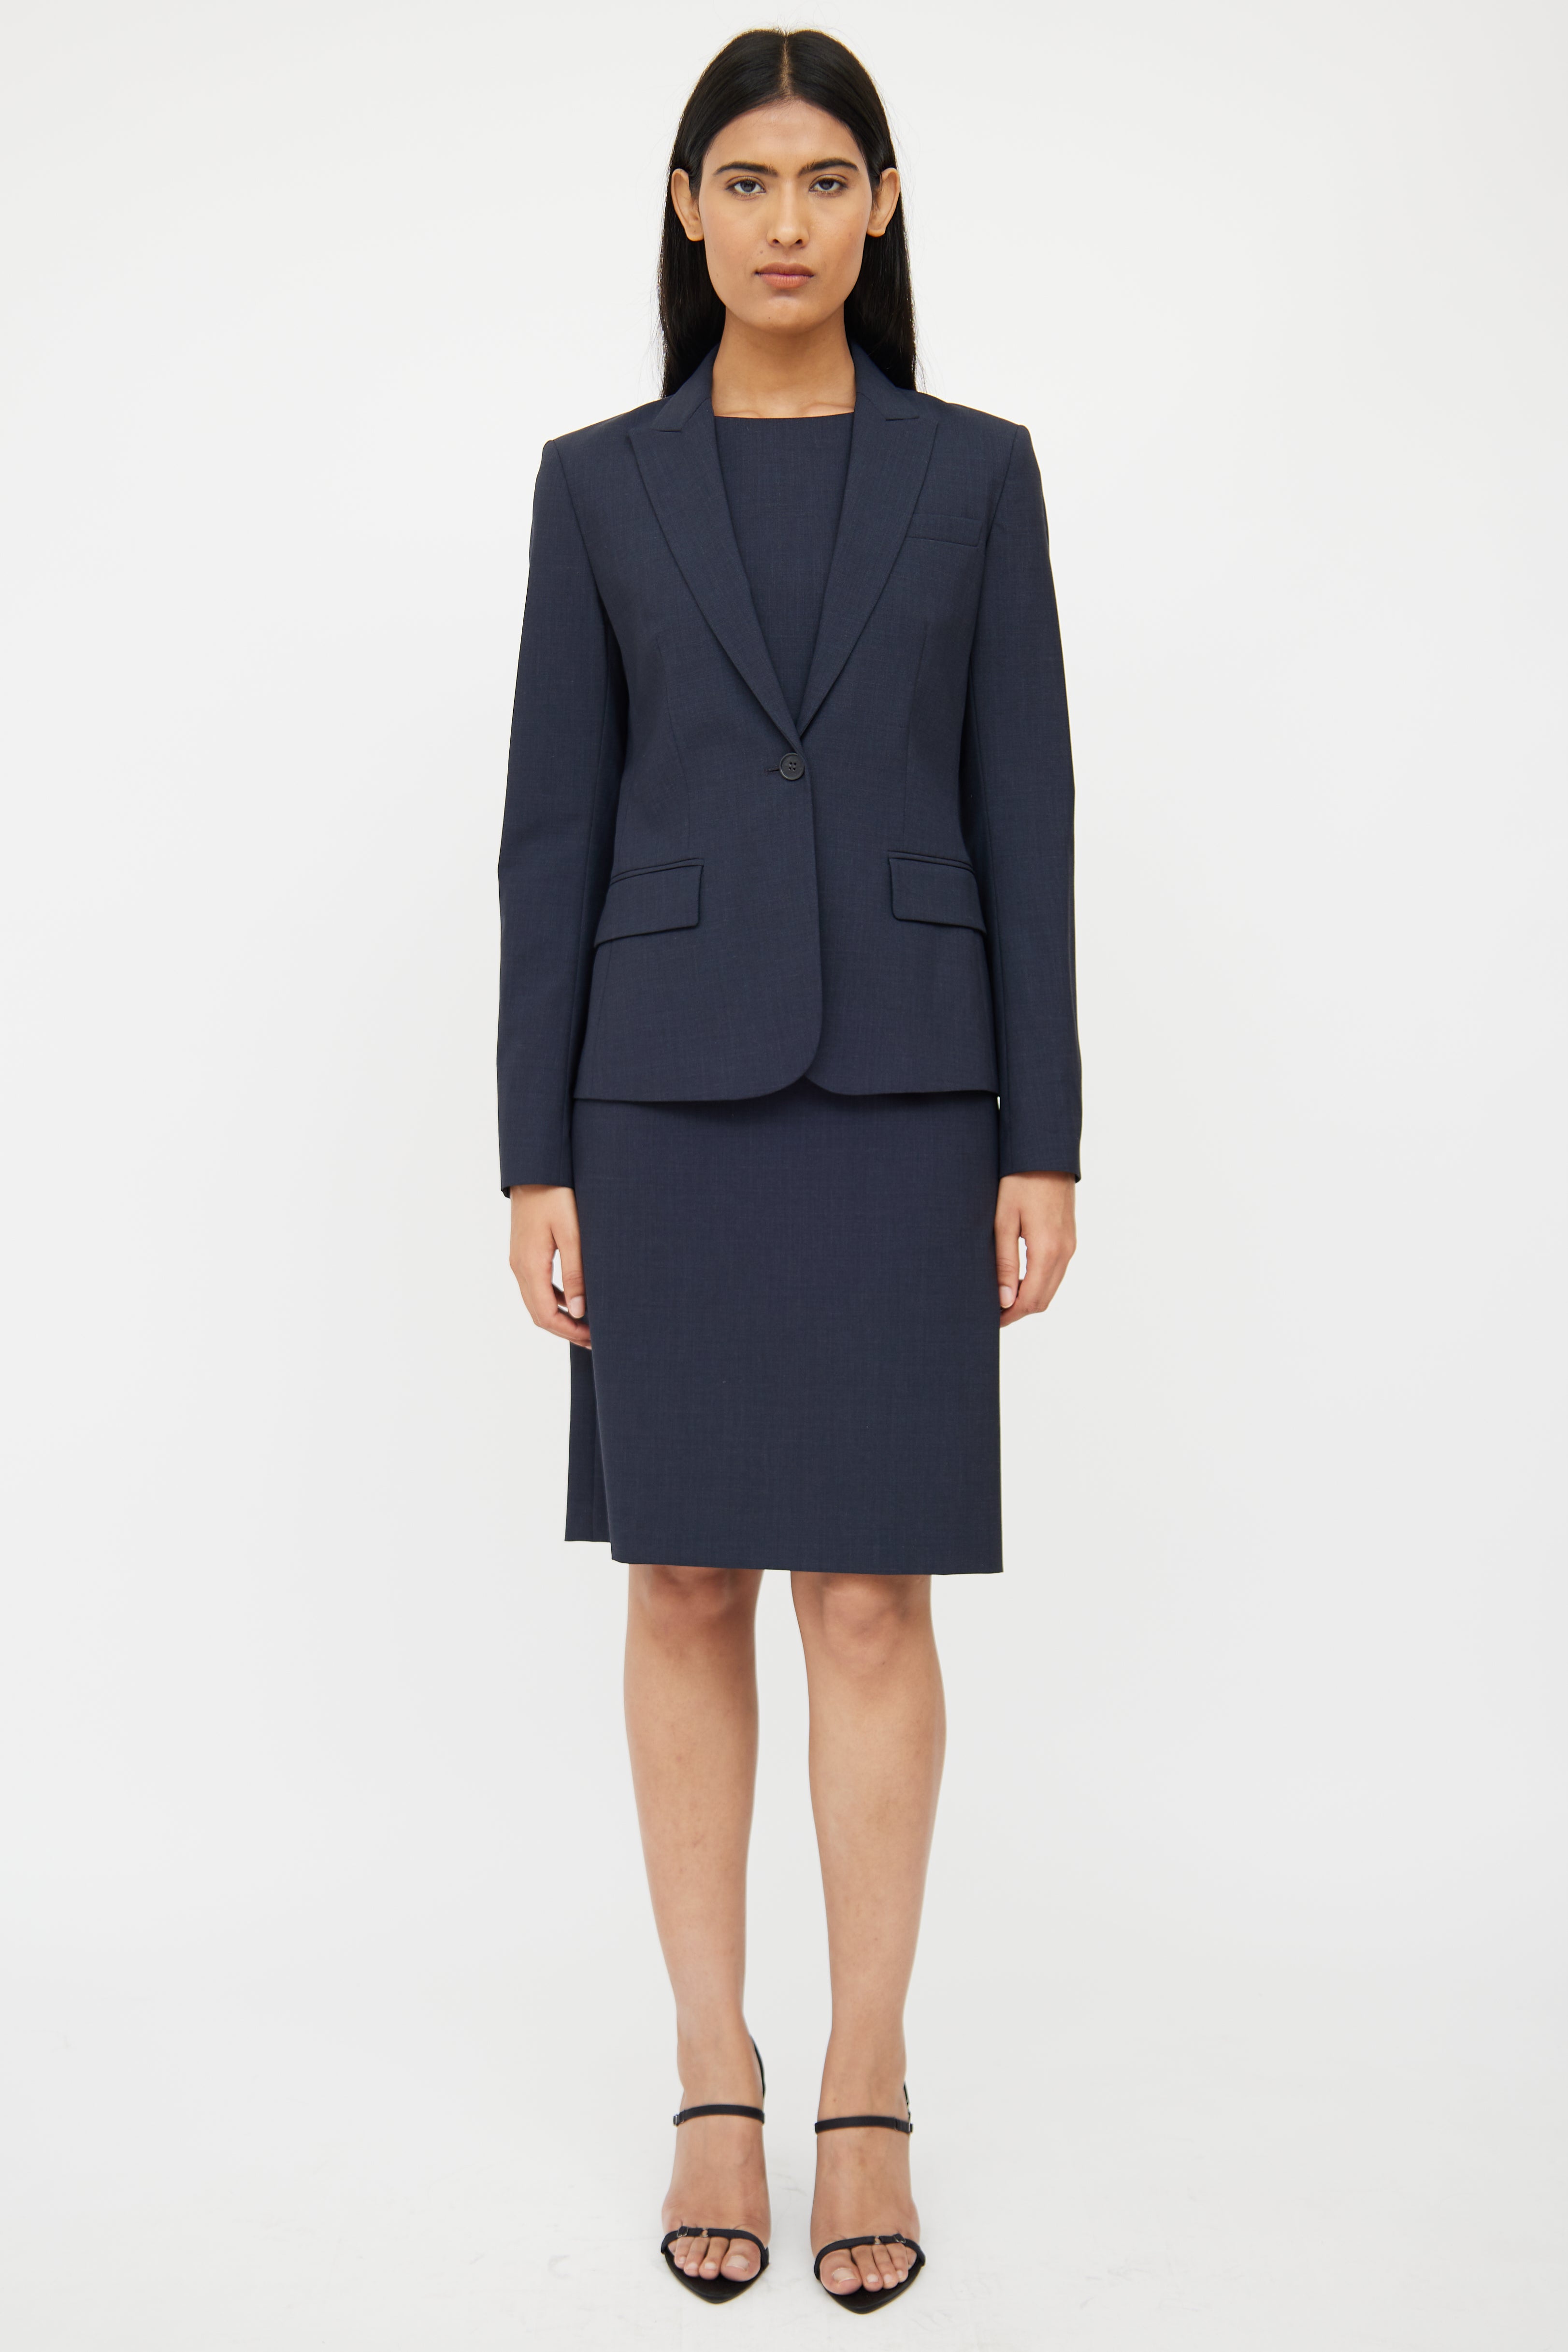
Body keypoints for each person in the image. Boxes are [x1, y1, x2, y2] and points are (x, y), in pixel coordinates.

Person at [497, 27, 1079, 2312]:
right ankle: (707, 2064)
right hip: (655, 1099)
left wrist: (1043, 1130)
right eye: (742, 180)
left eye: (824, 178)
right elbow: (550, 831)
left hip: (910, 1088)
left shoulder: (976, 475)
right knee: (677, 1578)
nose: (783, 220)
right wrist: (530, 1150)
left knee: (866, 1594)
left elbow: (1024, 810)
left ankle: (862, 2070)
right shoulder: (595, 486)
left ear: (883, 205)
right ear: (685, 210)